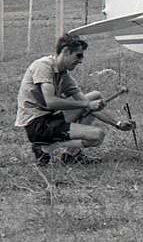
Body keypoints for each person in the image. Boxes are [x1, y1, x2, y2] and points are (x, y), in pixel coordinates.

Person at [15, 33, 130, 166]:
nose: (80, 61)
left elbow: (89, 104)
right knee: (98, 136)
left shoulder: (64, 75)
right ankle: (45, 147)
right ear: (66, 51)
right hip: (37, 125)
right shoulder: (43, 66)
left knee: (95, 95)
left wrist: (118, 124)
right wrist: (87, 104)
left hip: (50, 119)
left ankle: (71, 155)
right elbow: (50, 102)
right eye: (78, 55)